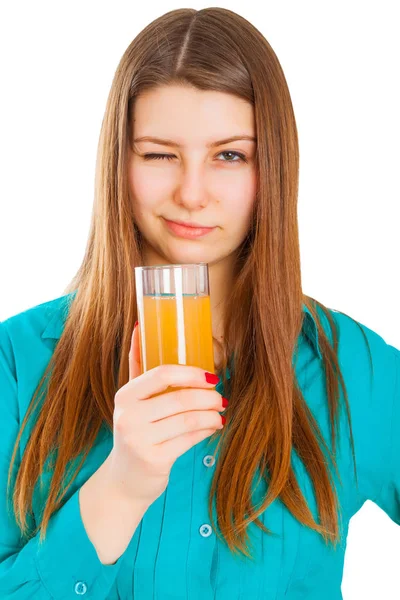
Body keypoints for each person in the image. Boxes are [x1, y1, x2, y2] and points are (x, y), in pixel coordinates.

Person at [0, 7, 399, 600]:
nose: (191, 193)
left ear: (274, 168)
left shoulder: (350, 369)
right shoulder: (18, 360)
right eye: (159, 154)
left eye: (230, 155)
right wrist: (123, 485)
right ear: (120, 163)